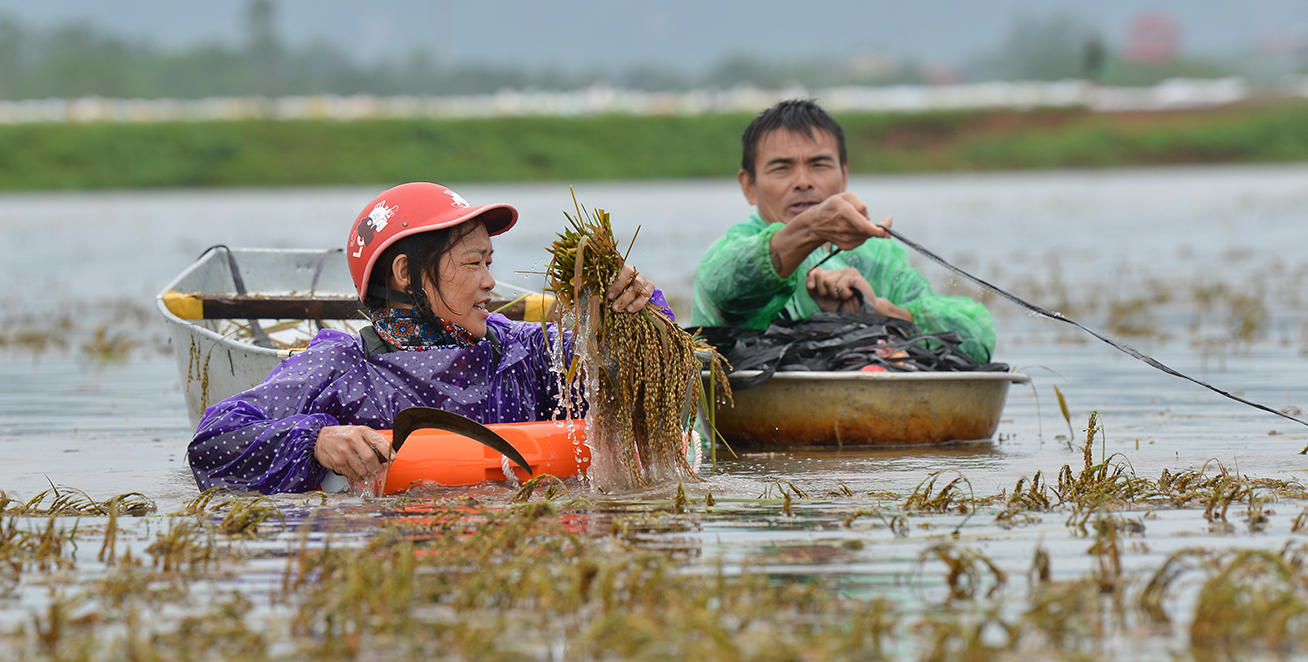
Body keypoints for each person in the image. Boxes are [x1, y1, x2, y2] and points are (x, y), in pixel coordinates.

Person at [188, 182, 666, 494]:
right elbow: (211, 443)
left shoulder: (523, 352)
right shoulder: (340, 365)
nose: (489, 283)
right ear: (404, 274)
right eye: (472, 263)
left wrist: (635, 313)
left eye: (490, 263)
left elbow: (652, 379)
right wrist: (316, 439)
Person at [691, 99, 996, 362]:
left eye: (819, 165)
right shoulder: (733, 251)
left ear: (844, 175)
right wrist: (811, 227)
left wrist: (878, 311)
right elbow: (725, 288)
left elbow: (978, 337)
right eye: (781, 168)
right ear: (749, 186)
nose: (803, 182)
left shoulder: (879, 258)